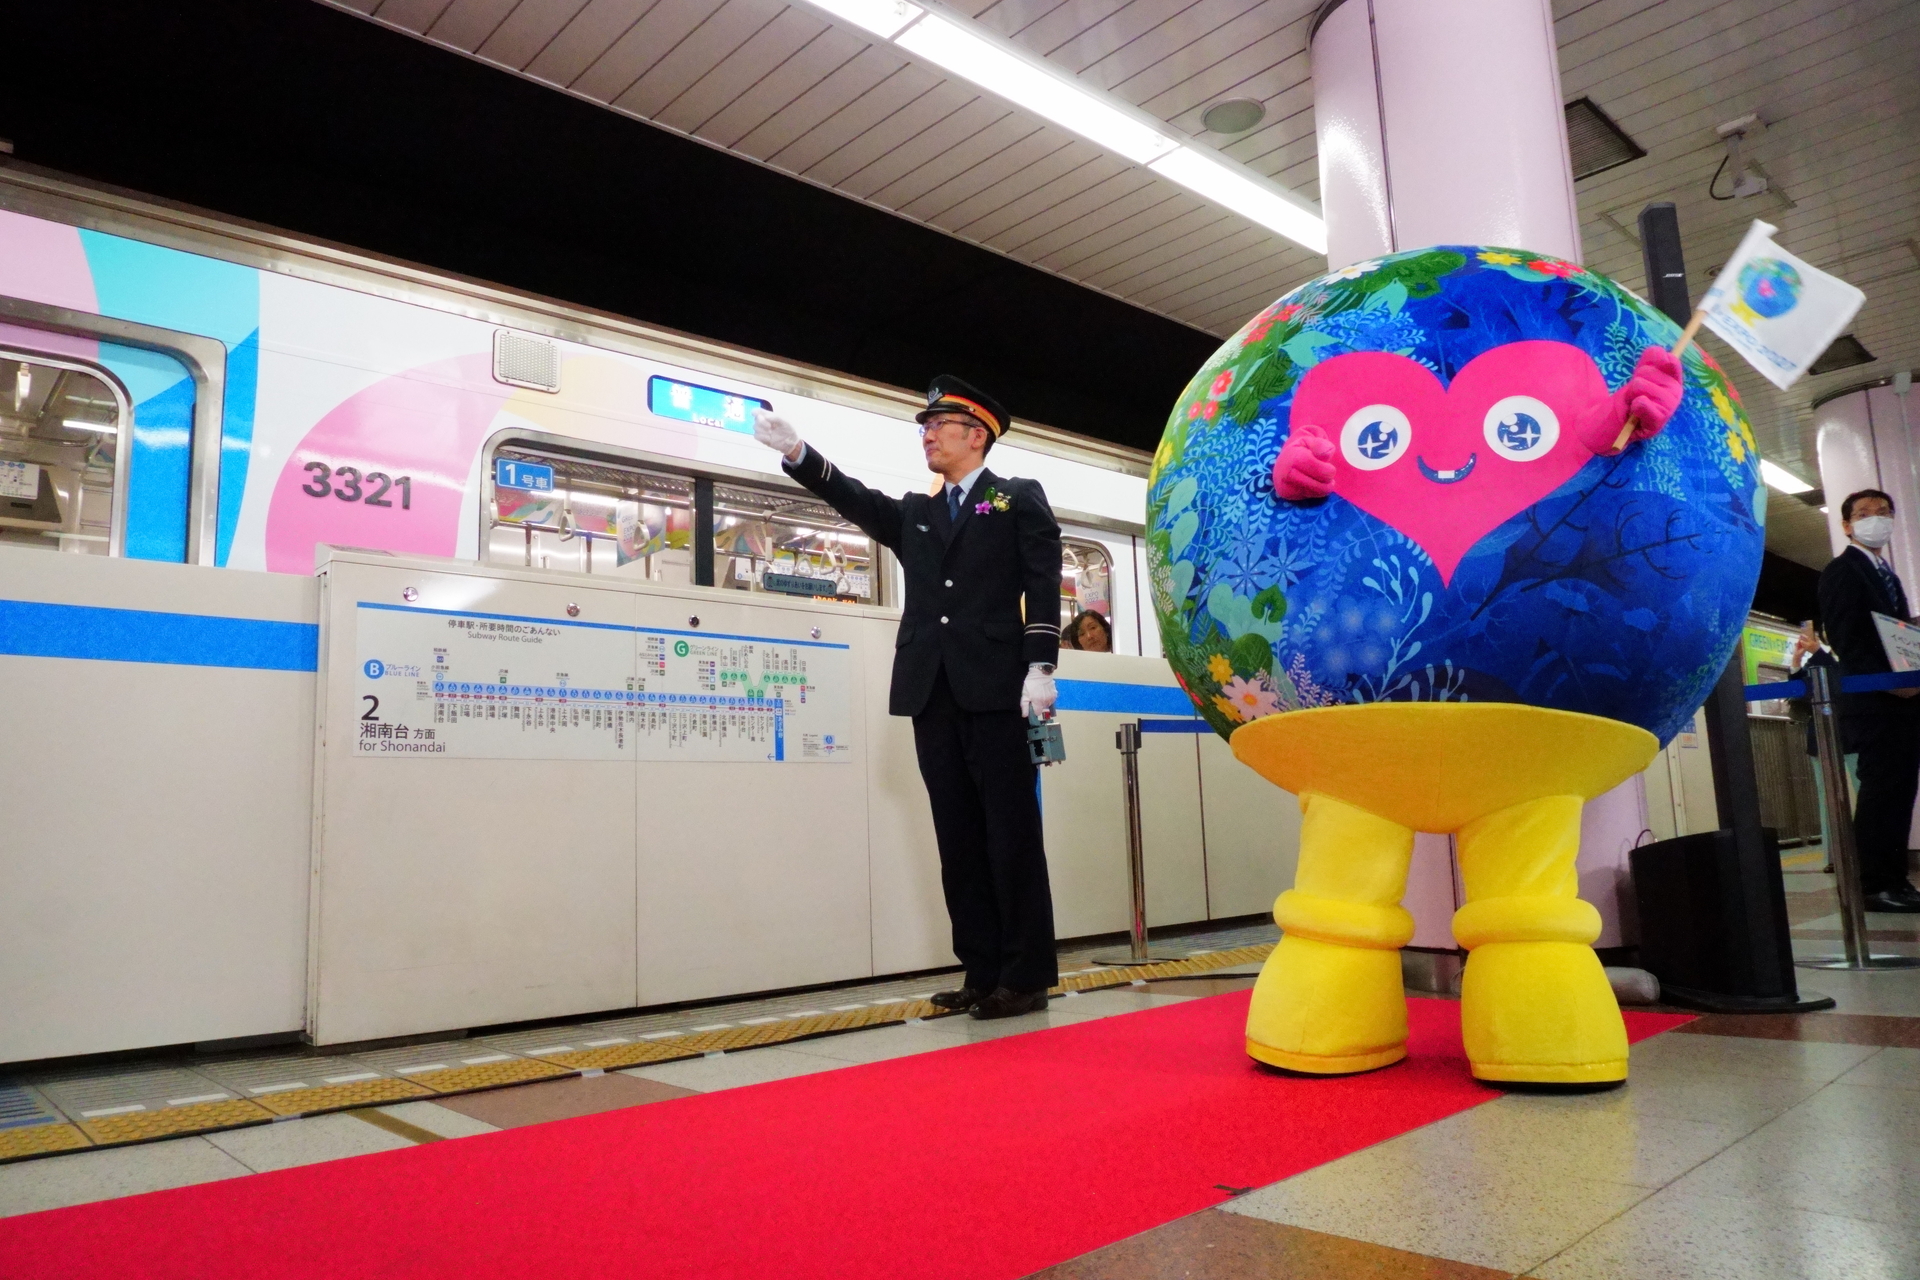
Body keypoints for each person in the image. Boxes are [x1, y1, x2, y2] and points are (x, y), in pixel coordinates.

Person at [751, 376, 1066, 1016]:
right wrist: (799, 454)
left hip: (998, 688)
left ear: (975, 434)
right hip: (932, 691)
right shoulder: (917, 513)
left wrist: (1040, 666)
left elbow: (1042, 581)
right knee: (956, 836)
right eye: (924, 425)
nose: (926, 433)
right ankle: (981, 971)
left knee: (1009, 834)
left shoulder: (1015, 499)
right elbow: (856, 501)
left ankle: (1025, 977)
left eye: (938, 424)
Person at [1815, 489, 1920, 913]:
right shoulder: (1843, 571)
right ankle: (1872, 884)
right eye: (1863, 514)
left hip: (1902, 698)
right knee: (1880, 791)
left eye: (1883, 513)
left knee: (1899, 790)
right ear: (1846, 525)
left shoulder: (1886, 574)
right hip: (1876, 698)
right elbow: (1845, 637)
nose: (1875, 519)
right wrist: (1888, 682)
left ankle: (1895, 879)